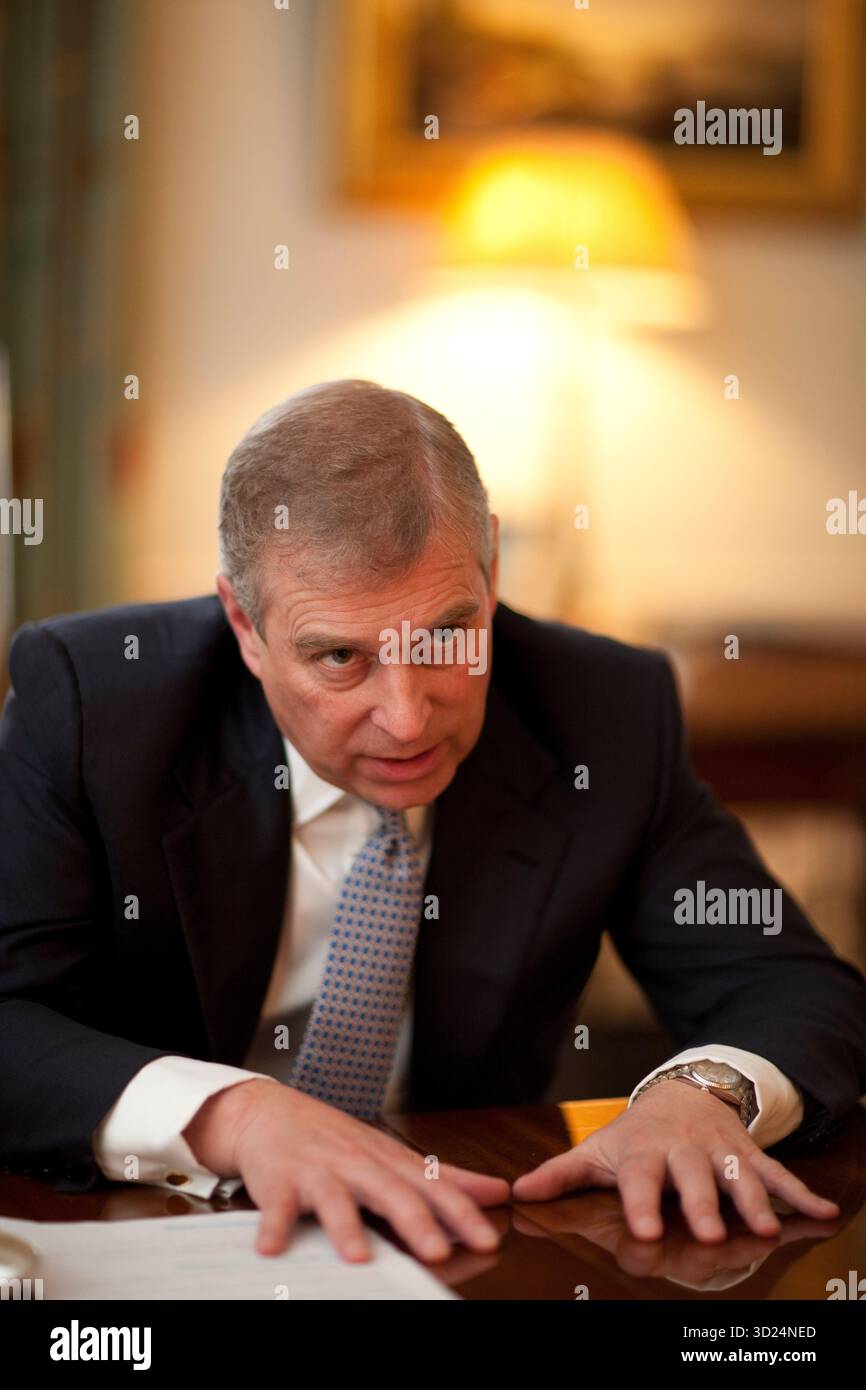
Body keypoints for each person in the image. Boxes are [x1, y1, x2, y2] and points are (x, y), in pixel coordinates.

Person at [2, 379, 864, 1267]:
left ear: (490, 571)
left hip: (471, 1242)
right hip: (160, 1238)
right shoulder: (94, 702)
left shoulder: (602, 712)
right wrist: (237, 1116)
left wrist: (701, 1094)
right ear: (244, 626)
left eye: (449, 635)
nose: (409, 719)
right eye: (341, 657)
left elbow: (794, 984)